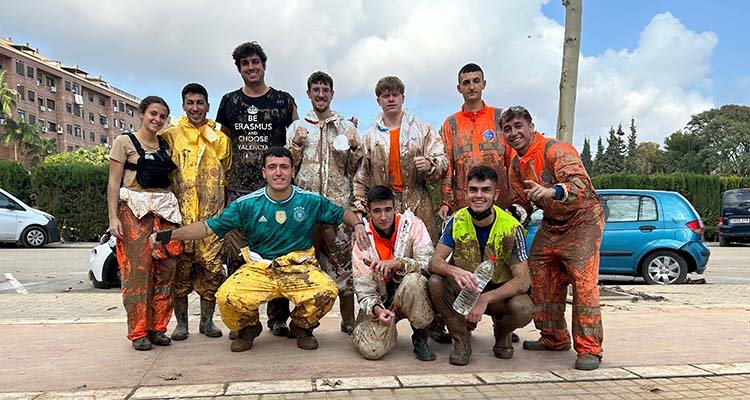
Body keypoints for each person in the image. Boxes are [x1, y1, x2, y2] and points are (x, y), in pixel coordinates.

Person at [150, 147, 369, 353]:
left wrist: (358, 225)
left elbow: (342, 213)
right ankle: (248, 328)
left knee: (327, 290)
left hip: (299, 269)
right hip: (260, 268)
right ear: (264, 172)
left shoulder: (310, 201)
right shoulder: (246, 204)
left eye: (284, 167)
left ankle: (302, 326)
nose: (278, 172)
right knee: (227, 296)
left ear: (293, 171)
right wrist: (168, 236)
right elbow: (207, 227)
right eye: (272, 167)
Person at [500, 106, 605, 370]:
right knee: (539, 273)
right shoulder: (515, 164)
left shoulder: (556, 149)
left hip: (583, 220)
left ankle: (590, 348)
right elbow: (522, 202)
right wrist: (512, 214)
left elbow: (582, 186)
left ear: (531, 126)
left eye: (518, 126)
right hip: (552, 223)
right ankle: (554, 337)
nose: (514, 133)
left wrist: (552, 191)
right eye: (508, 129)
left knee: (583, 284)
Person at [216, 41, 299, 337]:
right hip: (240, 191)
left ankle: (278, 318)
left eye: (255, 62)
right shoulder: (228, 102)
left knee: (278, 252)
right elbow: (223, 145)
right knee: (239, 256)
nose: (251, 68)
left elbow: (298, 141)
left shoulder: (283, 101)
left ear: (264, 65)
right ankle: (244, 319)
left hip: (278, 192)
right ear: (239, 69)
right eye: (245, 64)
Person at [428, 166, 533, 366]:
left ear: (496, 194)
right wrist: (454, 270)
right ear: (465, 192)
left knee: (523, 308)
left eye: (485, 190)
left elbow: (522, 281)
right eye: (473, 189)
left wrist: (486, 298)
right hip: (465, 291)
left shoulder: (512, 227)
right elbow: (435, 261)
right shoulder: (456, 221)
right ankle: (461, 339)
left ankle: (502, 332)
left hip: (498, 294)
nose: (479, 195)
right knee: (435, 282)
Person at [286, 71, 363, 334]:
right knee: (303, 265)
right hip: (304, 210)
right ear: (308, 94)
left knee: (343, 264)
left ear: (332, 94)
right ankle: (304, 321)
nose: (320, 94)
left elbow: (355, 169)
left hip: (337, 207)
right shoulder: (296, 127)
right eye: (315, 90)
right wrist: (295, 146)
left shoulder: (345, 127)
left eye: (325, 90)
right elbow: (286, 169)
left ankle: (348, 320)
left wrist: (354, 147)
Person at [107, 96, 183, 351]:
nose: (157, 120)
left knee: (166, 271)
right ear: (142, 113)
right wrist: (113, 218)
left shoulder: (165, 145)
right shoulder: (123, 142)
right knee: (137, 274)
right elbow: (113, 183)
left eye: (162, 116)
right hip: (134, 214)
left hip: (165, 214)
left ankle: (158, 328)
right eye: (153, 113)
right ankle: (138, 331)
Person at [162, 83, 231, 340]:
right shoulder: (171, 135)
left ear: (207, 106)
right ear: (183, 105)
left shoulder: (221, 139)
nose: (195, 108)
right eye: (190, 103)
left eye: (200, 103)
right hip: (180, 218)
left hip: (212, 220)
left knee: (211, 270)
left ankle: (207, 322)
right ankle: (181, 324)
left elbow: (228, 171)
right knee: (180, 271)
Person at [353, 76, 447, 242]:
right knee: (384, 254)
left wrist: (430, 165)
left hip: (418, 201)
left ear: (402, 98)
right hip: (383, 205)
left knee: (423, 251)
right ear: (378, 101)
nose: (391, 99)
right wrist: (360, 210)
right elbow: (361, 178)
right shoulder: (369, 137)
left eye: (395, 95)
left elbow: (442, 161)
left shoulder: (423, 130)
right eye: (385, 96)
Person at [350, 186, 436, 361]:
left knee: (414, 281)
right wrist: (377, 309)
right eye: (377, 211)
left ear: (396, 207)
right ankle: (377, 328)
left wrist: (398, 263)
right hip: (382, 300)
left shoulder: (414, 225)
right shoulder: (362, 238)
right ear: (369, 212)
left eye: (388, 210)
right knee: (371, 350)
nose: (383, 217)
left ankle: (420, 335)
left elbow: (428, 265)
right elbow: (363, 289)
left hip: (409, 291)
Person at [437, 63, 518, 222]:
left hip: (500, 202)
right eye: (466, 83)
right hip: (465, 203)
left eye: (476, 81)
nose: (472, 86)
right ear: (459, 88)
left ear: (484, 84)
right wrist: (446, 201)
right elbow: (447, 167)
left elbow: (513, 163)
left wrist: (516, 201)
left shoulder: (500, 117)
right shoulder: (451, 123)